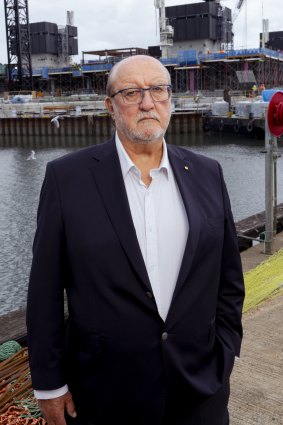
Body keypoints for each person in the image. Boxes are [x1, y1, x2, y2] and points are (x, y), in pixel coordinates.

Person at [27, 55, 245, 425]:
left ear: (170, 101)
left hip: (199, 390)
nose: (148, 102)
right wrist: (49, 385)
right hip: (104, 394)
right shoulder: (67, 179)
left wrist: (226, 350)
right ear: (110, 106)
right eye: (132, 92)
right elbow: (45, 291)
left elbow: (228, 278)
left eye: (158, 90)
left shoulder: (208, 173)